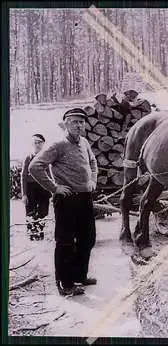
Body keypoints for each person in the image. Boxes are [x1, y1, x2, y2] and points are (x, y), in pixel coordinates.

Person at [29, 108, 98, 297]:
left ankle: (79, 276)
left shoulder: (84, 142)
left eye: (82, 122)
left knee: (88, 239)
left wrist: (93, 181)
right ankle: (65, 284)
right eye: (74, 121)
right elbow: (35, 166)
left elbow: (93, 162)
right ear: (66, 123)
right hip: (66, 200)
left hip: (85, 199)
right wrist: (54, 188)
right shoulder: (57, 144)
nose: (79, 125)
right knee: (66, 243)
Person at [21, 134, 52, 241]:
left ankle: (40, 233)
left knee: (43, 211)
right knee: (30, 211)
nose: (37, 144)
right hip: (31, 188)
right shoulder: (28, 158)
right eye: (35, 142)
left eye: (39, 142)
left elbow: (50, 175)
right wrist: (24, 194)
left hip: (44, 188)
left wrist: (52, 190)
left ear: (43, 144)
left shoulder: (46, 157)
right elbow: (24, 176)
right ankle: (32, 235)